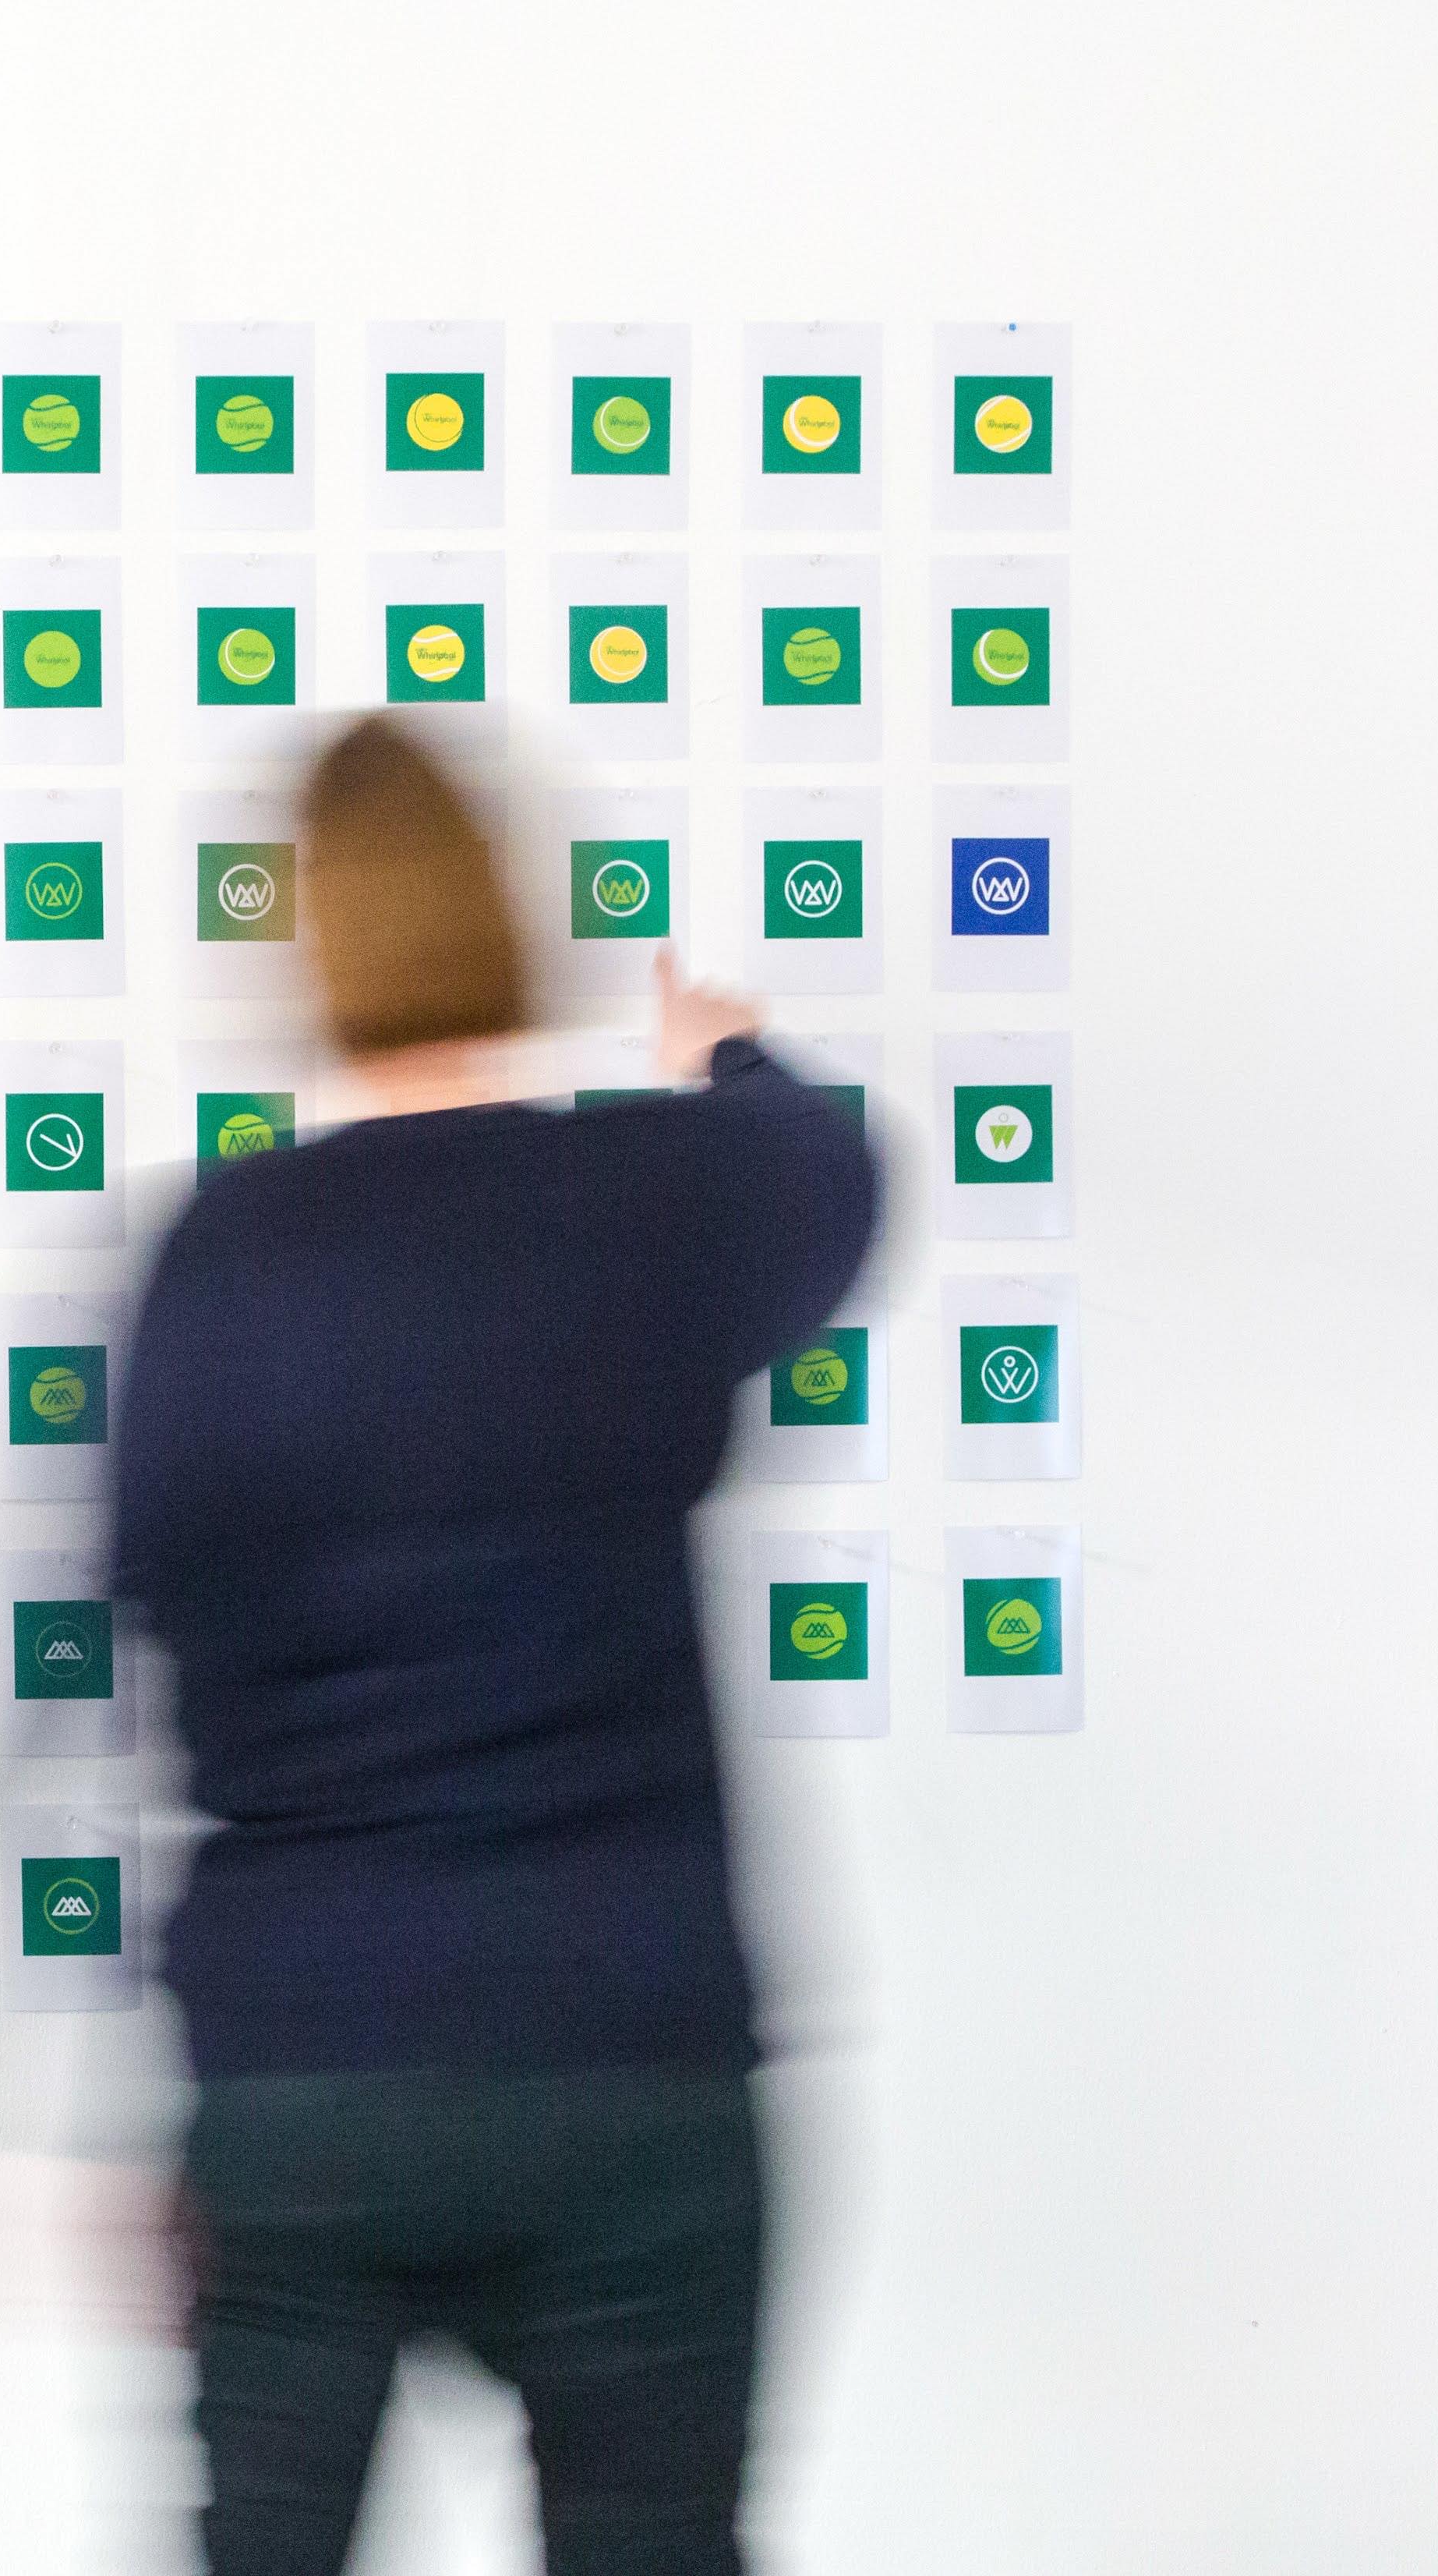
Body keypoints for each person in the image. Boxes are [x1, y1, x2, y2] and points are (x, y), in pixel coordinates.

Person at [113, 717, 878, 2575]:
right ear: (506, 917)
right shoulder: (649, 1198)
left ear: (308, 946)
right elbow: (836, 1177)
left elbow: (150, 1591)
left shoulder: (222, 1252)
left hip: (309, 2064)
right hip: (628, 2045)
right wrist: (727, 1056)